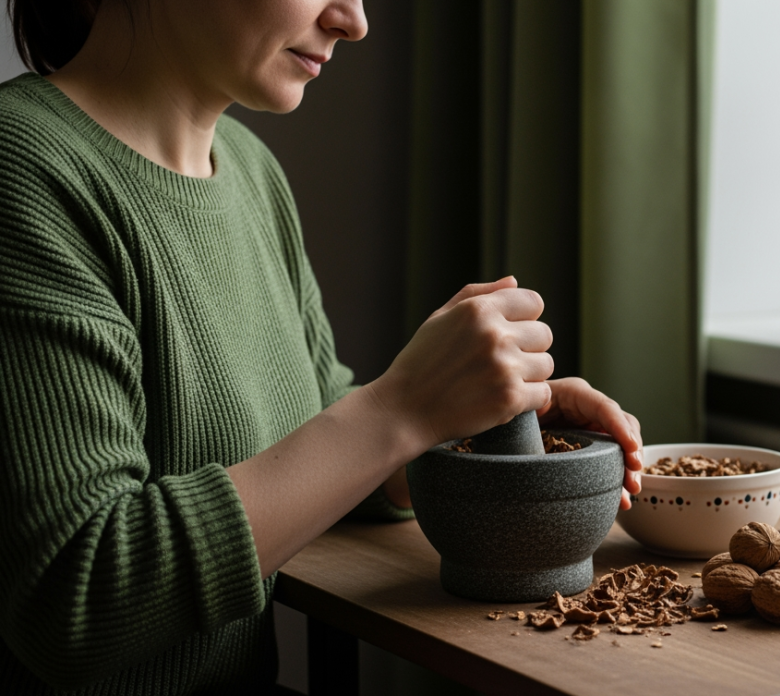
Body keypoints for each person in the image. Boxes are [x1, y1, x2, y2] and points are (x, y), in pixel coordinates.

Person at [0, 0, 644, 693]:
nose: (353, 20)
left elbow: (321, 434)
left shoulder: (251, 170)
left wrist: (471, 425)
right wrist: (403, 408)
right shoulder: (22, 168)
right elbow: (76, 602)